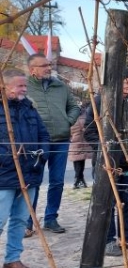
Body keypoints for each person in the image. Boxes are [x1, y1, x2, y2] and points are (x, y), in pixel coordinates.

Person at [84, 67, 128, 257]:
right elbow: (89, 131)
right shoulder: (101, 101)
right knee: (107, 202)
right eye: (127, 83)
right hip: (108, 163)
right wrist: (106, 152)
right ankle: (107, 241)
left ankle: (126, 237)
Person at [0, 68, 49, 268]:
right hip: (3, 176)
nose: (24, 89)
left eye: (25, 86)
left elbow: (43, 135)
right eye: (20, 85)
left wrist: (42, 155)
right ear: (5, 86)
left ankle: (12, 258)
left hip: (30, 173)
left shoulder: (29, 108)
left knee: (20, 219)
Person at [25, 54, 81, 235]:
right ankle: (28, 221)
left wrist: (67, 121)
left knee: (57, 181)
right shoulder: (25, 88)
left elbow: (74, 107)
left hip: (61, 140)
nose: (48, 68)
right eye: (43, 66)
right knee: (33, 182)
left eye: (49, 64)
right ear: (32, 69)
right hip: (36, 143)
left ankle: (51, 218)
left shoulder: (60, 86)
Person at [69, 103, 93, 189]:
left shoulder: (85, 113)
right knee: (77, 161)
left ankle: (80, 180)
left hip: (86, 142)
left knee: (89, 160)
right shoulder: (68, 114)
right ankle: (78, 179)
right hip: (75, 142)